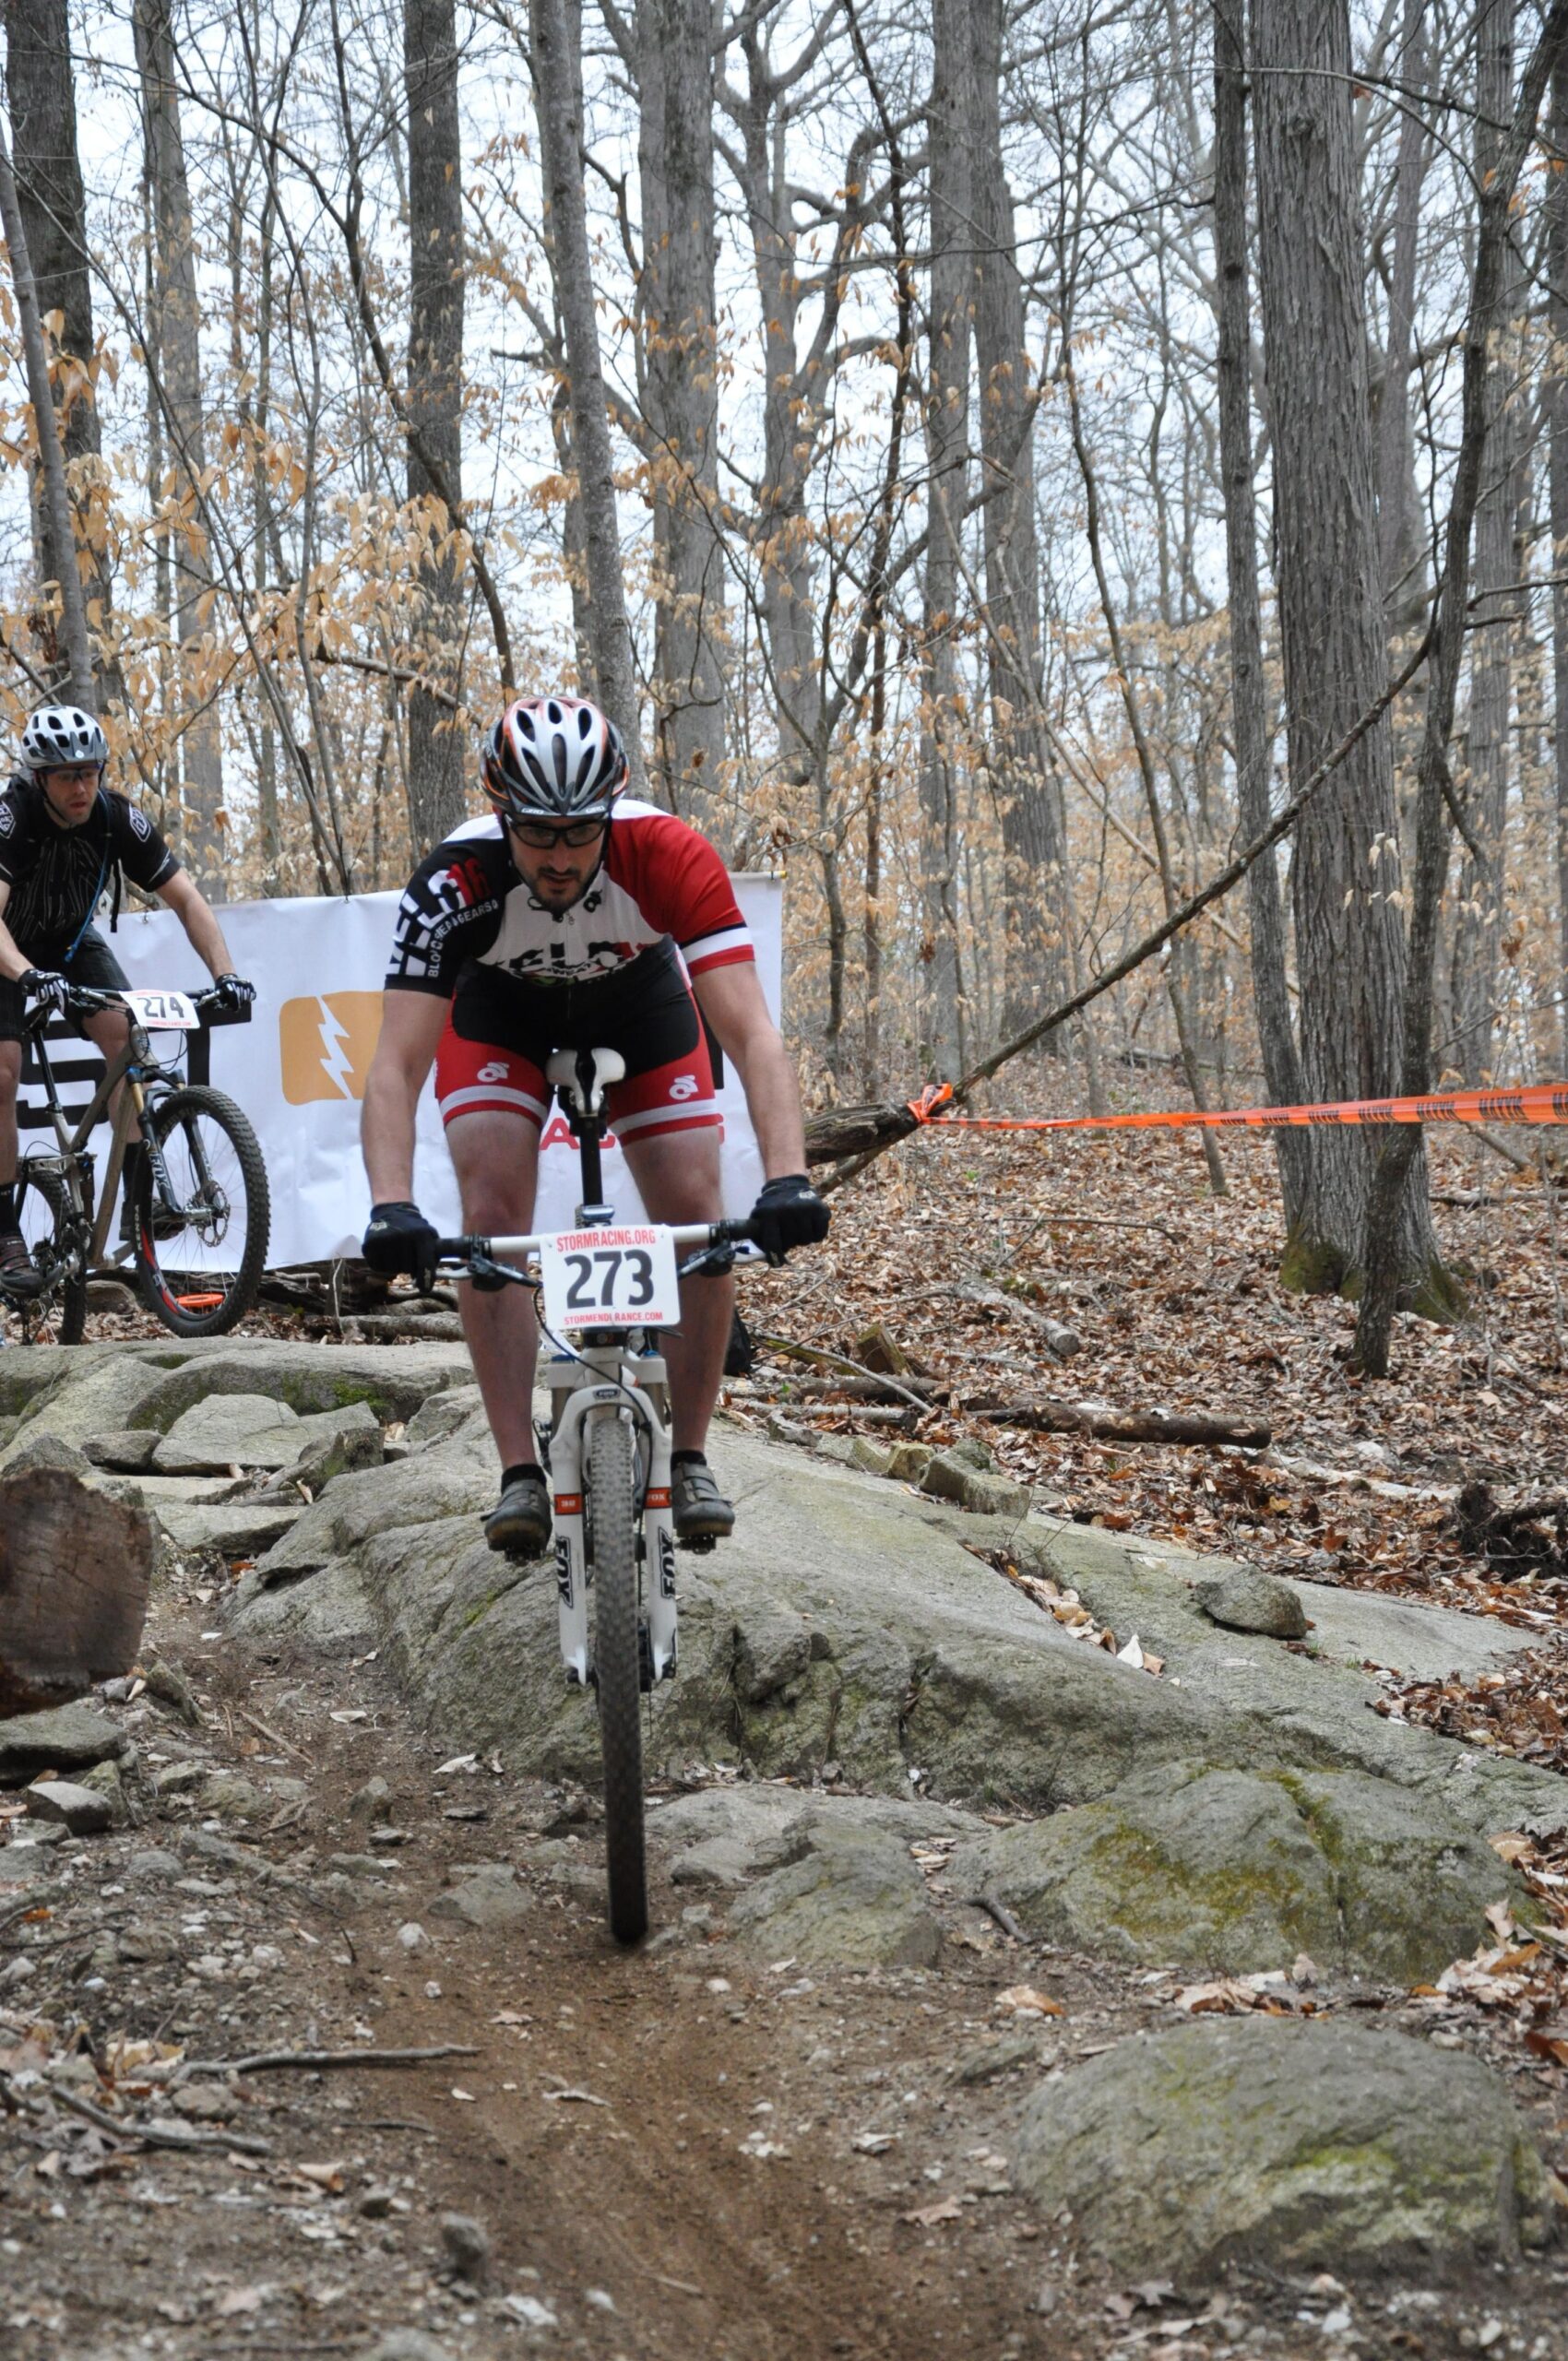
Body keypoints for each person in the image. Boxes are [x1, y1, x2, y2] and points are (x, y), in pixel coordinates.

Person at [361, 693, 829, 1552]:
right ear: (502, 815)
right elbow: (394, 1065)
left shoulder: (668, 854)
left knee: (694, 1209)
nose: (561, 855)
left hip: (638, 1005)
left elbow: (756, 1036)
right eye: (537, 832)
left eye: (581, 832)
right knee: (493, 1212)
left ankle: (689, 1454)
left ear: (612, 814)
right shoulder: (454, 881)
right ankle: (517, 1475)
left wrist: (787, 1177)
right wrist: (390, 1204)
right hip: (501, 1013)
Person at [0, 704, 255, 1291]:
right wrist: (24, 974)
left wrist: (226, 975)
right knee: (4, 1068)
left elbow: (188, 899)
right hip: (6, 947)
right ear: (39, 779)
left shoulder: (116, 817)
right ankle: (4, 1231)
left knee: (129, 1042)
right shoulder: (12, 818)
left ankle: (144, 1208)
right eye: (66, 776)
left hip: (67, 942)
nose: (81, 786)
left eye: (91, 772)